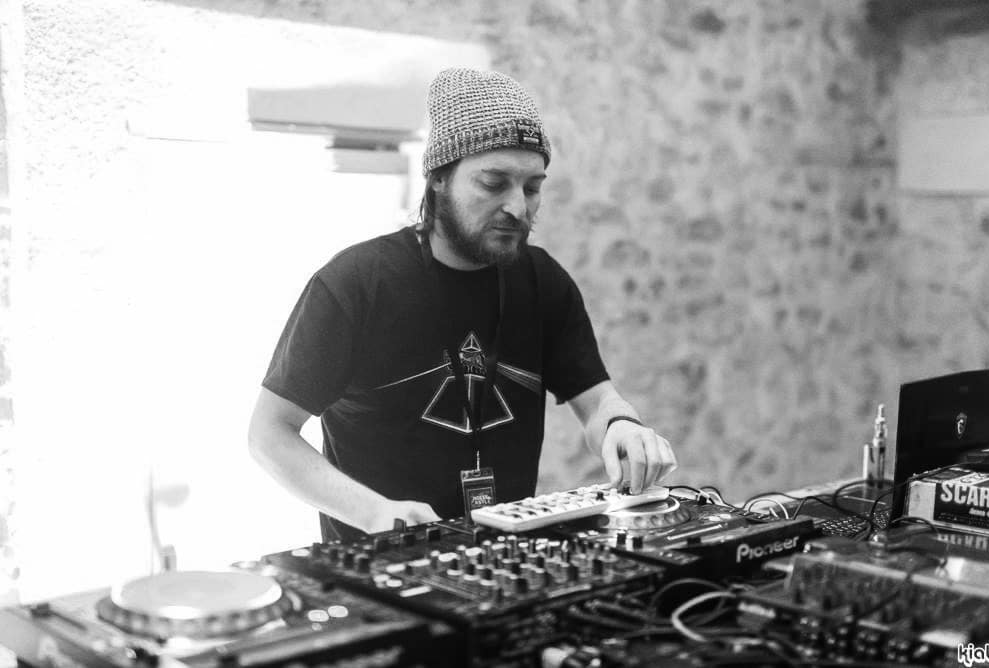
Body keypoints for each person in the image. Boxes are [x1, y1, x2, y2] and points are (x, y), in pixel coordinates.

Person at [248, 67, 678, 542]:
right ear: (439, 179)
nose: (518, 207)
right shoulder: (356, 282)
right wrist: (373, 513)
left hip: (504, 562)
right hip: (381, 566)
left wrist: (621, 425)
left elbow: (597, 402)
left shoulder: (543, 282)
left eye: (532, 187)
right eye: (494, 183)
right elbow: (270, 434)